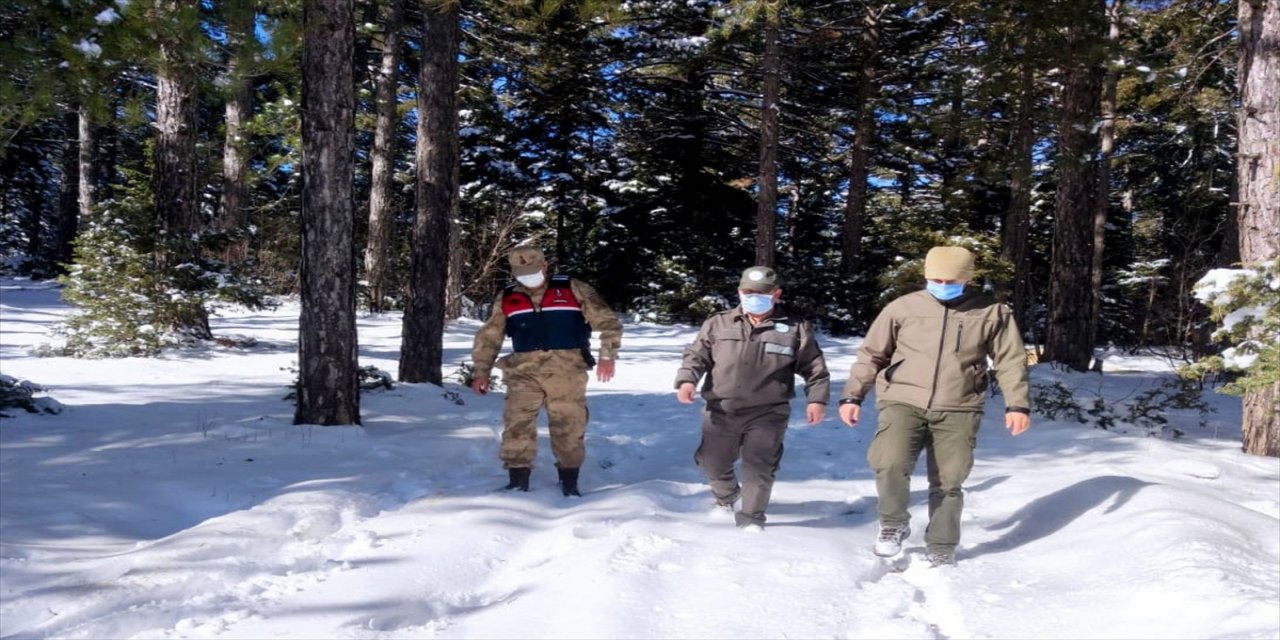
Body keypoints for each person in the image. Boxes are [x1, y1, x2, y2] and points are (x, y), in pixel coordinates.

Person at [838, 246, 1031, 566]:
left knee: (949, 478)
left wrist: (1018, 404)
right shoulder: (902, 307)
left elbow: (1010, 361)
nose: (942, 283)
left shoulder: (992, 312)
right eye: (935, 278)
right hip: (903, 398)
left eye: (950, 279)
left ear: (966, 278)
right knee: (889, 462)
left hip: (959, 405)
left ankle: (941, 543)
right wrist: (852, 395)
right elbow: (871, 354)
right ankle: (893, 524)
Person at [674, 266, 830, 529]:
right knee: (711, 462)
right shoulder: (718, 323)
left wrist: (817, 399)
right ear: (739, 292)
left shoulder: (795, 328)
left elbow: (814, 366)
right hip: (721, 409)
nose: (753, 296)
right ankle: (727, 494)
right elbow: (696, 356)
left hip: (768, 412)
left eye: (762, 292)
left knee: (759, 468)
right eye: (748, 292)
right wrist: (687, 379)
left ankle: (752, 518)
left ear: (776, 293)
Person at [470, 246, 623, 497]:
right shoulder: (508, 297)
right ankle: (518, 480)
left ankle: (569, 480)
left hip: (566, 370)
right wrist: (481, 371)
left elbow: (608, 322)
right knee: (516, 424)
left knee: (568, 425)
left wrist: (608, 355)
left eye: (532, 271)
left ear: (545, 267)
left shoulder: (572, 288)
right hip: (522, 370)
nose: (527, 277)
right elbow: (489, 336)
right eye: (521, 273)